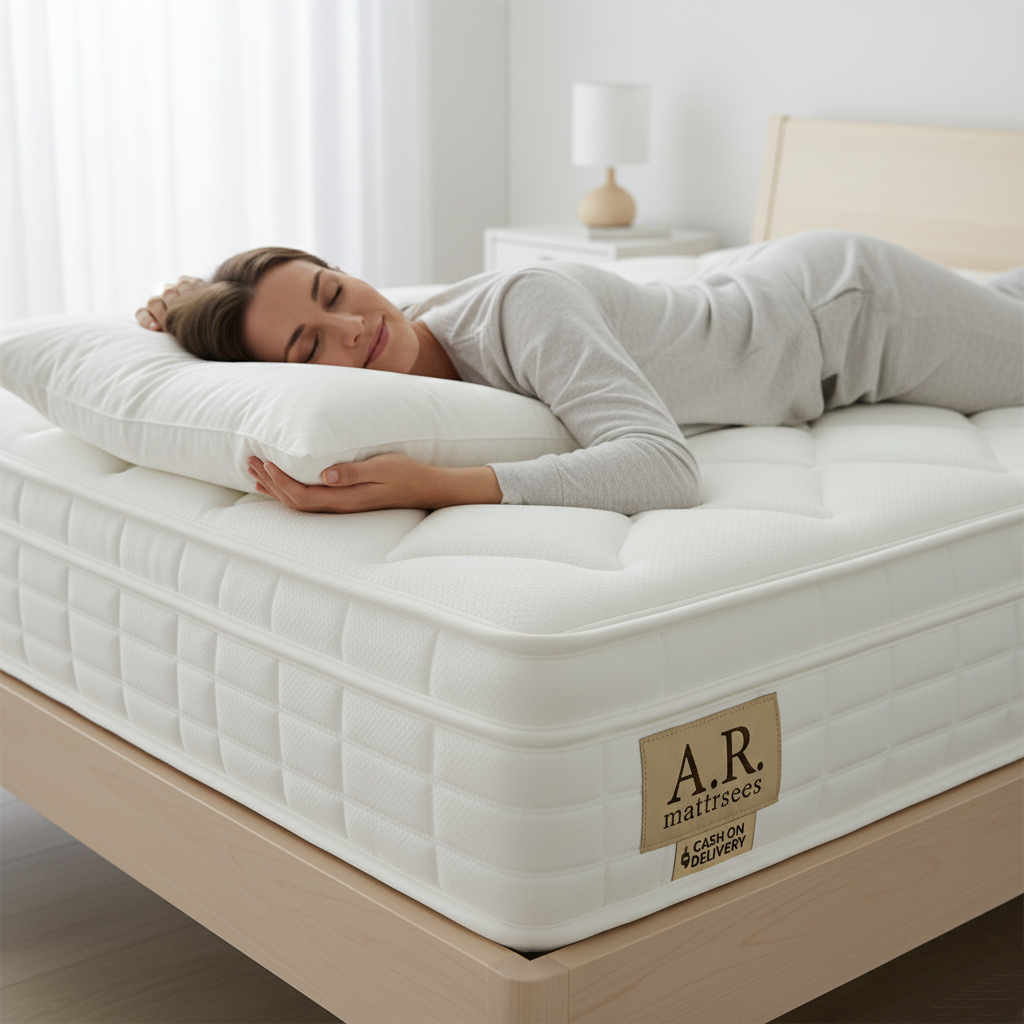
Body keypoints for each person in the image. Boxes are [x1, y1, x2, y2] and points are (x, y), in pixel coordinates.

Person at [136, 232, 1024, 517]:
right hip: (771, 293)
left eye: (334, 291)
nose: (352, 327)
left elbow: (664, 468)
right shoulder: (415, 347)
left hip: (848, 316)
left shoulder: (523, 305)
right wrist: (186, 309)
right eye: (307, 349)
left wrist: (435, 486)